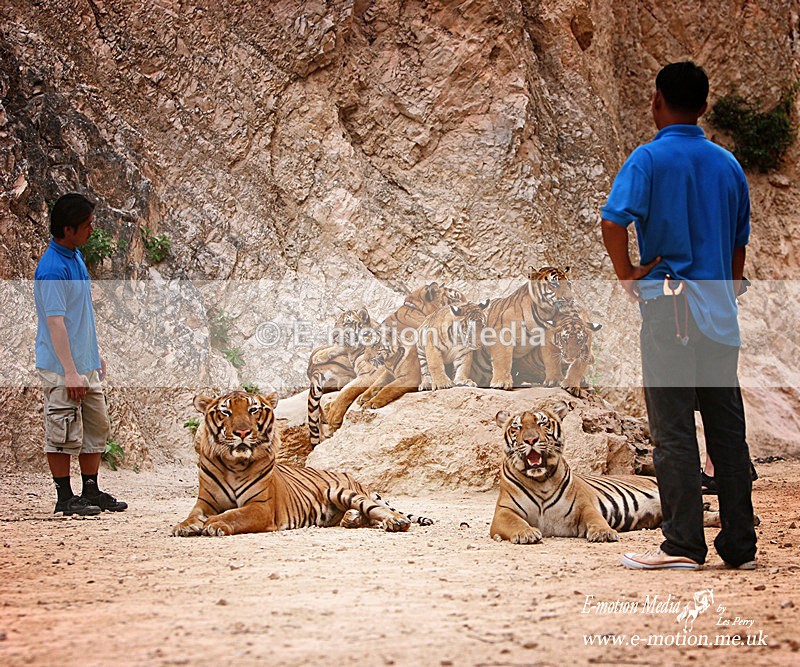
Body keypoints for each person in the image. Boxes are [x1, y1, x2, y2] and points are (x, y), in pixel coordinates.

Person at [600, 62, 757, 570]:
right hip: (718, 315)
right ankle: (740, 546)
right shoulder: (728, 165)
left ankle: (683, 545)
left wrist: (628, 276)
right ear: (705, 107)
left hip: (669, 309)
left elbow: (612, 219)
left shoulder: (648, 160)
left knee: (672, 431)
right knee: (726, 431)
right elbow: (738, 244)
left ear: (657, 101)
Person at [34, 192, 127, 516]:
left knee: (95, 425)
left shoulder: (74, 256)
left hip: (83, 362)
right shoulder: (52, 269)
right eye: (87, 225)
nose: (92, 229)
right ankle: (64, 497)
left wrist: (93, 356)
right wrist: (70, 371)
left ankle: (90, 489)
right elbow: (56, 323)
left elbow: (80, 316)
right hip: (62, 366)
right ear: (68, 228)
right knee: (62, 428)